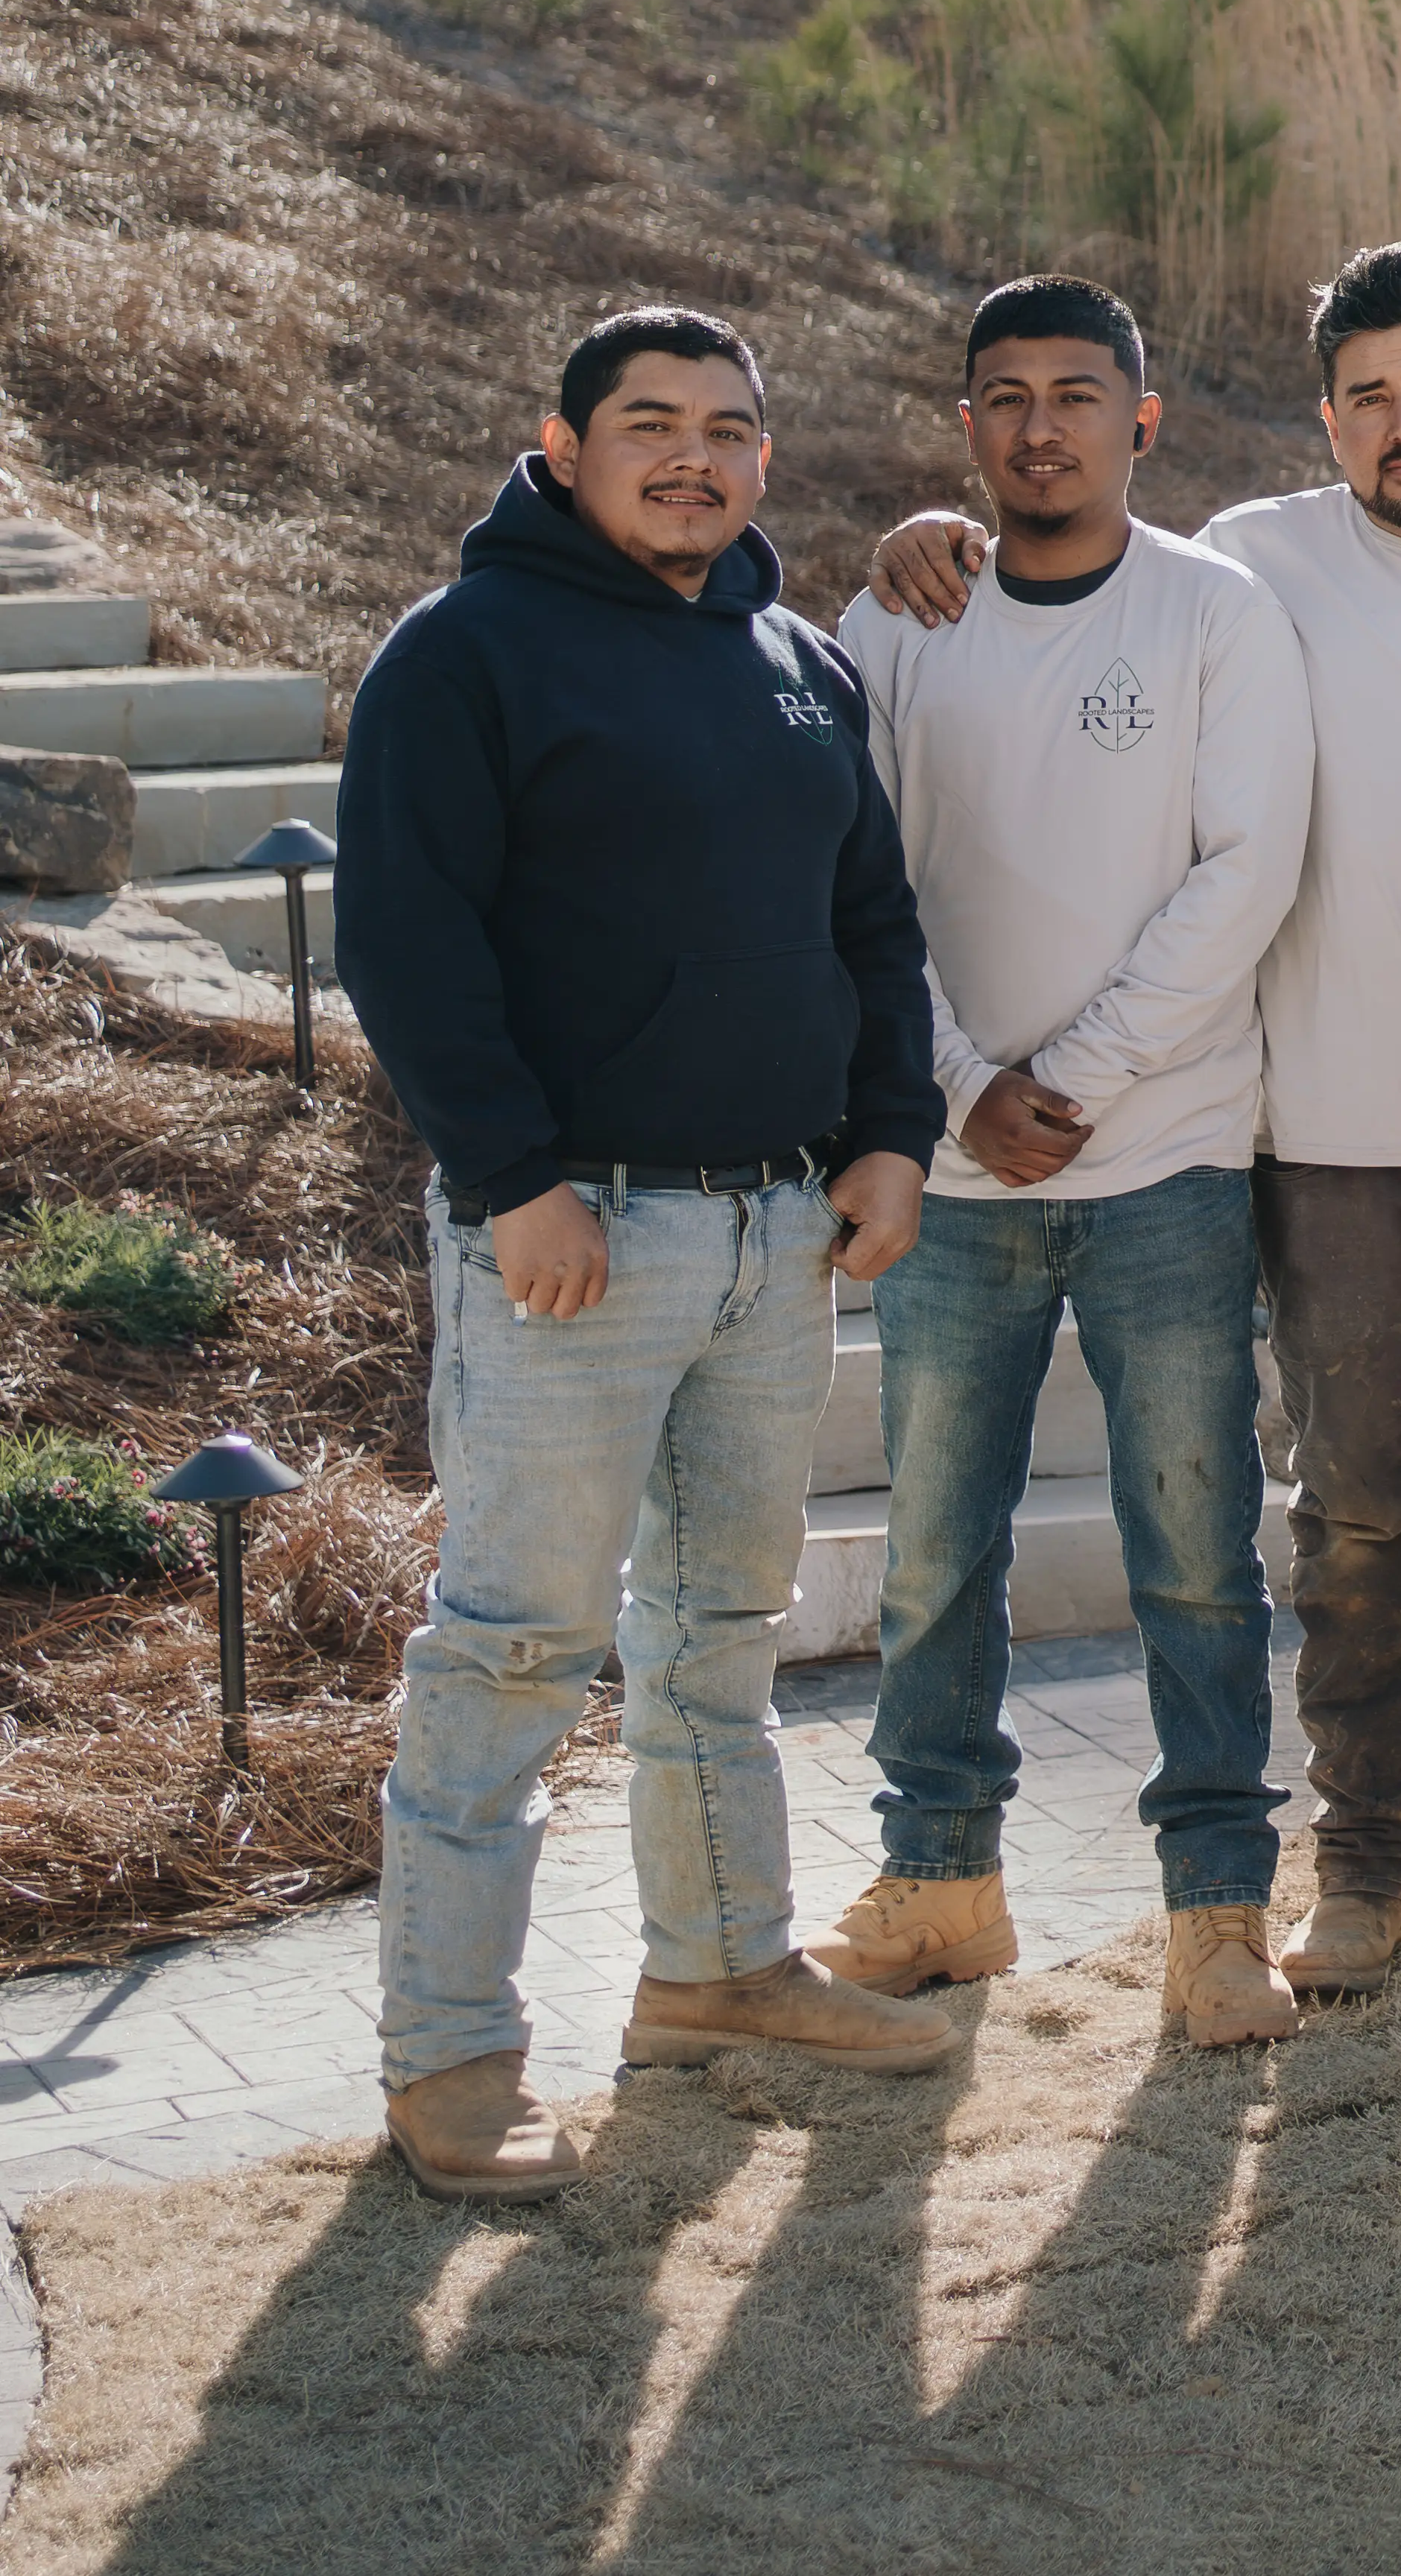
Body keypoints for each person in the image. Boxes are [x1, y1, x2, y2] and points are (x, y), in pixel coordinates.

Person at [864, 243, 1401, 1990]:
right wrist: (935, 532)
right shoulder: (1256, 566)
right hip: (1325, 1144)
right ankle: (1369, 1864)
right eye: (1366, 395)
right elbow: (1069, 543)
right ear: (1327, 419)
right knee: (1355, 1527)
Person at [335, 310, 959, 2197]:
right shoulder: (464, 655)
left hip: (779, 1229)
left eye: (729, 429)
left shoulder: (795, 664)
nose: (693, 457)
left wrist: (888, 1133)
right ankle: (451, 2050)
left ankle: (719, 1969)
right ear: (561, 441)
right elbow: (405, 939)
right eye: (650, 426)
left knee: (720, 1635)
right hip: (572, 1241)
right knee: (515, 1645)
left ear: (767, 457)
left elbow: (871, 919)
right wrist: (511, 1173)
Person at [816, 276, 1318, 2049]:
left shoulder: (1215, 616)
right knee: (935, 1558)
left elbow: (1243, 874)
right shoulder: (895, 626)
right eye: (1007, 395)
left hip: (1165, 1163)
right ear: (968, 423)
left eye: (1079, 394)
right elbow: (855, 887)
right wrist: (964, 1090)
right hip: (955, 1185)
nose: (1043, 425)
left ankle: (1216, 1914)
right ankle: (940, 1884)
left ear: (1142, 418)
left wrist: (1076, 1079)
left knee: (1195, 1555)